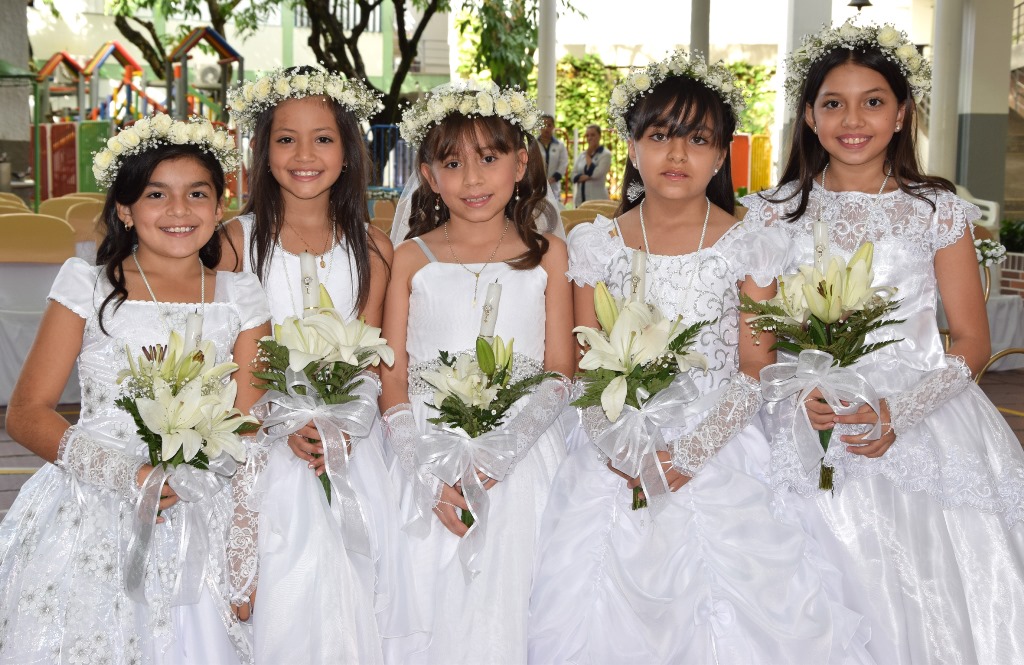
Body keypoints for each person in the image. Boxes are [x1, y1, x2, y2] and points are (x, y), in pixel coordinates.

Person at [529, 51, 870, 664]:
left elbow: (756, 365)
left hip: (720, 440)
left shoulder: (749, 243)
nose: (677, 154)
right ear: (632, 147)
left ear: (720, 155)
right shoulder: (596, 243)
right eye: (660, 135)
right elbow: (585, 364)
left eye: (698, 139)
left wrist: (692, 451)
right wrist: (620, 445)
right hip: (616, 442)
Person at [741, 20, 1024, 663]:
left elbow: (972, 340)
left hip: (922, 412)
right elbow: (756, 348)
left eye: (873, 101)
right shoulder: (773, 212)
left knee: (933, 590)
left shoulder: (936, 210)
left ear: (901, 114)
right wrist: (795, 393)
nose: (853, 120)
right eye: (833, 103)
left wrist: (903, 411)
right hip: (806, 416)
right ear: (809, 116)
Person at [0, 114, 268, 663]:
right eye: (156, 194)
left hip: (204, 503)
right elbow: (26, 413)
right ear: (125, 209)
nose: (179, 210)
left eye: (197, 194)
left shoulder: (241, 295)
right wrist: (129, 476)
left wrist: (243, 544)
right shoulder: (89, 286)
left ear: (220, 206)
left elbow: (250, 425)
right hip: (93, 503)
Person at [222, 66, 424, 664]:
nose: (304, 155)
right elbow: (224, 358)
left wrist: (340, 423)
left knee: (349, 596)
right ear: (263, 152)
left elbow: (372, 356)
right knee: (279, 597)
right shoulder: (235, 242)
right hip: (257, 447)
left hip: (349, 446)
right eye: (286, 139)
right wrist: (284, 422)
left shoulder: (373, 247)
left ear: (348, 150)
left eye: (323, 139)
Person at [380, 80, 575, 663]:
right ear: (429, 175)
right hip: (425, 451)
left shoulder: (548, 254)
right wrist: (424, 465)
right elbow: (393, 374)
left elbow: (560, 370)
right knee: (426, 593)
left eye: (489, 159)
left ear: (521, 164)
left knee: (511, 598)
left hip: (522, 451)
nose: (471, 179)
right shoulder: (411, 258)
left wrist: (501, 452)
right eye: (452, 163)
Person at [570, 124, 612, 205]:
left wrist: (588, 156)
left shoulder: (605, 154)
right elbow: (573, 176)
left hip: (597, 199)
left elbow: (596, 174)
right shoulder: (582, 155)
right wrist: (587, 176)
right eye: (587, 136)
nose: (590, 138)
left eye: (593, 135)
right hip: (580, 200)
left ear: (599, 136)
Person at [537, 114, 569, 192]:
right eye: (543, 125)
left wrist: (553, 179)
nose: (546, 128)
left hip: (554, 185)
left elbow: (563, 163)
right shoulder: (533, 144)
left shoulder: (560, 145)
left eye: (549, 125)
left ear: (553, 127)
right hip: (537, 185)